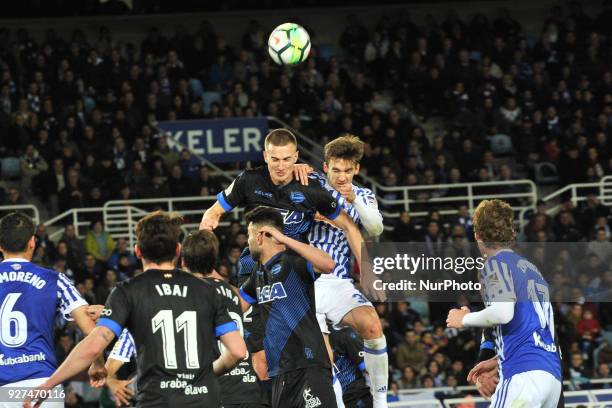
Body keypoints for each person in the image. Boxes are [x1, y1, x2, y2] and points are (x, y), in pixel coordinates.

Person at [24, 211, 247, 408]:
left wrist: (48, 385)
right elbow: (237, 351)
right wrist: (205, 375)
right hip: (204, 400)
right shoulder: (208, 291)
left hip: (157, 400)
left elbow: (93, 346)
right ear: (178, 250)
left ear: (137, 251)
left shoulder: (128, 291)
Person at [102, 230, 270, 408]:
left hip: (212, 393)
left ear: (182, 261)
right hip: (251, 392)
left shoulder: (190, 297)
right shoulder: (234, 294)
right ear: (214, 260)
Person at [294, 135, 388, 408]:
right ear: (325, 167)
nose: (342, 177)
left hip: (339, 281)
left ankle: (381, 402)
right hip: (306, 281)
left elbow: (376, 228)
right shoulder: (310, 184)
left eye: (348, 171)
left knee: (372, 325)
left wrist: (355, 198)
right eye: (336, 170)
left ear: (356, 169)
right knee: (325, 357)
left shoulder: (364, 196)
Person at [199, 128, 364, 275]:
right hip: (253, 268)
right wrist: (209, 222)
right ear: (265, 156)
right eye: (275, 159)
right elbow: (213, 211)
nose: (281, 166)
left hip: (294, 271)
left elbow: (349, 226)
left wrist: (366, 270)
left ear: (296, 157)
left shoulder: (310, 189)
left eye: (286, 159)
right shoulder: (249, 180)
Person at [446, 199, 562, 407]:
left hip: (524, 375)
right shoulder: (531, 270)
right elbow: (537, 329)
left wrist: (464, 319)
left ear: (477, 235)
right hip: (551, 377)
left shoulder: (494, 264)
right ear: (512, 234)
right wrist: (498, 360)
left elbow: (502, 313)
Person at [239, 207, 338, 408]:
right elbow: (235, 305)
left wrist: (284, 239)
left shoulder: (294, 262)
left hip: (308, 366)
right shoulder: (258, 274)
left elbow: (328, 264)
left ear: (260, 237)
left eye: (249, 236)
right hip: (279, 373)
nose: (247, 242)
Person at [0, 212, 98, 408]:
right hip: (42, 385)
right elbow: (91, 331)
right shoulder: (55, 280)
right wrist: (99, 363)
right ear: (32, 242)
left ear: (0, 245)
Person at [330, 327, 373, 408]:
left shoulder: (344, 334)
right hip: (333, 400)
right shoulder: (312, 341)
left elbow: (369, 368)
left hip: (356, 396)